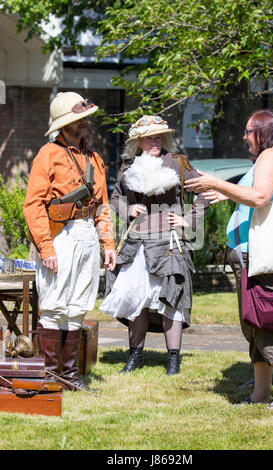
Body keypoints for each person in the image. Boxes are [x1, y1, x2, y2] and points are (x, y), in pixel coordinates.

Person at [185, 109, 273, 410]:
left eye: (248, 131)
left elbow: (260, 197)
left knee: (269, 324)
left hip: (262, 256)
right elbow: (258, 194)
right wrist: (229, 194)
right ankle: (259, 395)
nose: (244, 136)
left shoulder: (272, 157)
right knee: (254, 325)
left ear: (262, 132)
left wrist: (216, 184)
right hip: (251, 256)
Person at [100, 115, 208, 375]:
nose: (155, 141)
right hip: (136, 243)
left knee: (173, 299)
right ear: (138, 142)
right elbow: (114, 199)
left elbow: (206, 191)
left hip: (170, 242)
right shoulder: (128, 165)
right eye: (149, 137)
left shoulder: (177, 163)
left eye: (158, 136)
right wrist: (128, 209)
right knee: (136, 299)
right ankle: (135, 356)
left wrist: (187, 218)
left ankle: (173, 360)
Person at [24, 91, 116, 390]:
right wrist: (45, 248)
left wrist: (108, 245)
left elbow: (102, 206)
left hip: (87, 232)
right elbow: (34, 205)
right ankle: (50, 376)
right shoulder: (47, 155)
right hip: (58, 235)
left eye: (85, 118)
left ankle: (69, 375)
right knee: (53, 304)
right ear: (64, 124)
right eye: (79, 119)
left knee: (77, 305)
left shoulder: (95, 158)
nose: (85, 123)